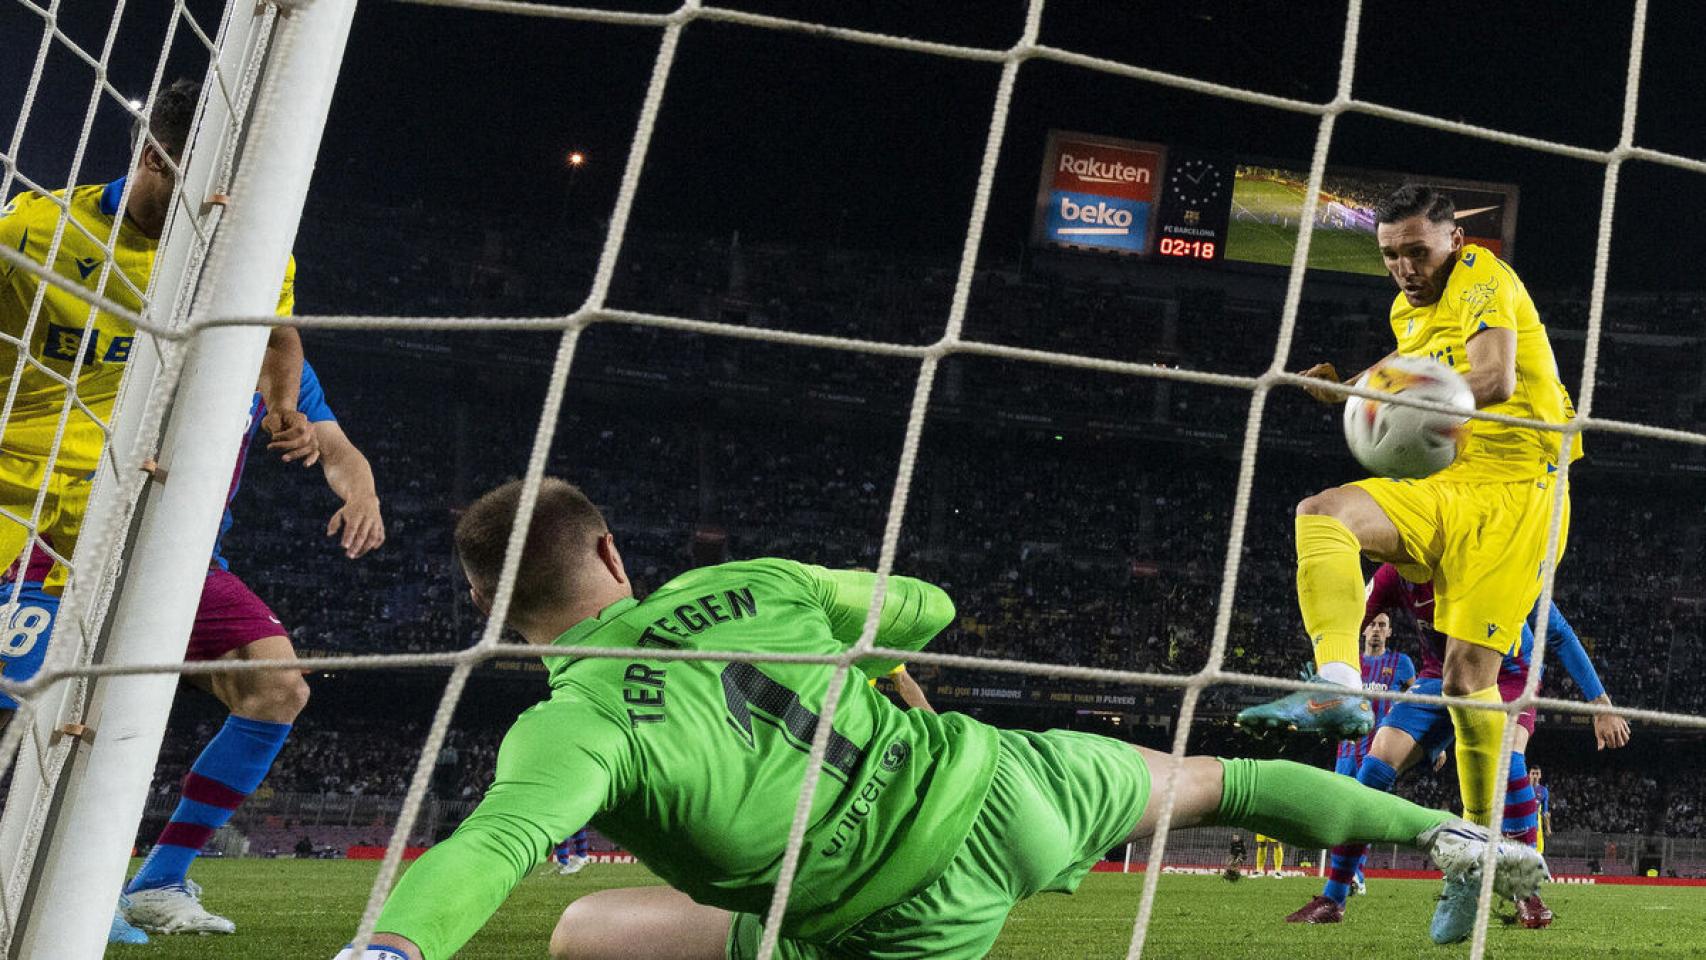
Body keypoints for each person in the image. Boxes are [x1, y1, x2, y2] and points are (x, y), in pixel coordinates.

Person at [333, 478, 1545, 960]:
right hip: (1009, 786)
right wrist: (871, 645)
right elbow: (926, 604)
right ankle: (1450, 834)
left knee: (582, 933)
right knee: (1215, 782)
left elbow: (489, 847)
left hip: (888, 913)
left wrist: (388, 950)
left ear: (491, 611)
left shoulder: (569, 727)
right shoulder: (756, 582)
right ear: (610, 551)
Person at [1239, 184, 1582, 844]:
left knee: (1467, 681)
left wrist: (1387, 402)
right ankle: (1338, 685)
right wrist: (1348, 392)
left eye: (1417, 252)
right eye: (1391, 255)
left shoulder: (1482, 275)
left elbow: (1495, 378)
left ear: (1455, 240)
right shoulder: (1406, 310)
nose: (1404, 268)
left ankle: (1484, 852)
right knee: (1324, 512)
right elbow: (1400, 373)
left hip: (1524, 491)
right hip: (1450, 481)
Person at [0, 78, 313, 730]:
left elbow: (277, 334)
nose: (224, 206)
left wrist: (284, 403)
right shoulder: (35, 233)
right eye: (212, 187)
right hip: (14, 477)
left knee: (268, 680)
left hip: (115, 497)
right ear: (154, 158)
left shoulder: (245, 253)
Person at [114, 359, 383, 937]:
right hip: (68, 545)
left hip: (188, 563)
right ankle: (59, 886)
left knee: (277, 686)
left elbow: (339, 451)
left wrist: (363, 496)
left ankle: (159, 880)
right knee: (69, 706)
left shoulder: (277, 363)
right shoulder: (137, 340)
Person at [1283, 564, 1627, 941]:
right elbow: (1349, 625)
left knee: (1507, 758)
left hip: (1508, 673)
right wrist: (1327, 680)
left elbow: (1557, 632)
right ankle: (1334, 898)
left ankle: (1525, 891)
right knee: (1375, 766)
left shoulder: (1494, 558)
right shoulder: (1393, 572)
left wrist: (1600, 704)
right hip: (1440, 674)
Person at [1328, 611, 1416, 898]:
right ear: (1363, 629)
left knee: (1363, 813)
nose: (1376, 629)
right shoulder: (1350, 662)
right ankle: (1348, 874)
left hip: (1379, 753)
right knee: (1342, 812)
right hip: (1346, 750)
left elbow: (1419, 701)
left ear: (1389, 632)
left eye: (1382, 625)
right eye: (1372, 624)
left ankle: (1356, 874)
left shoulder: (1401, 663)